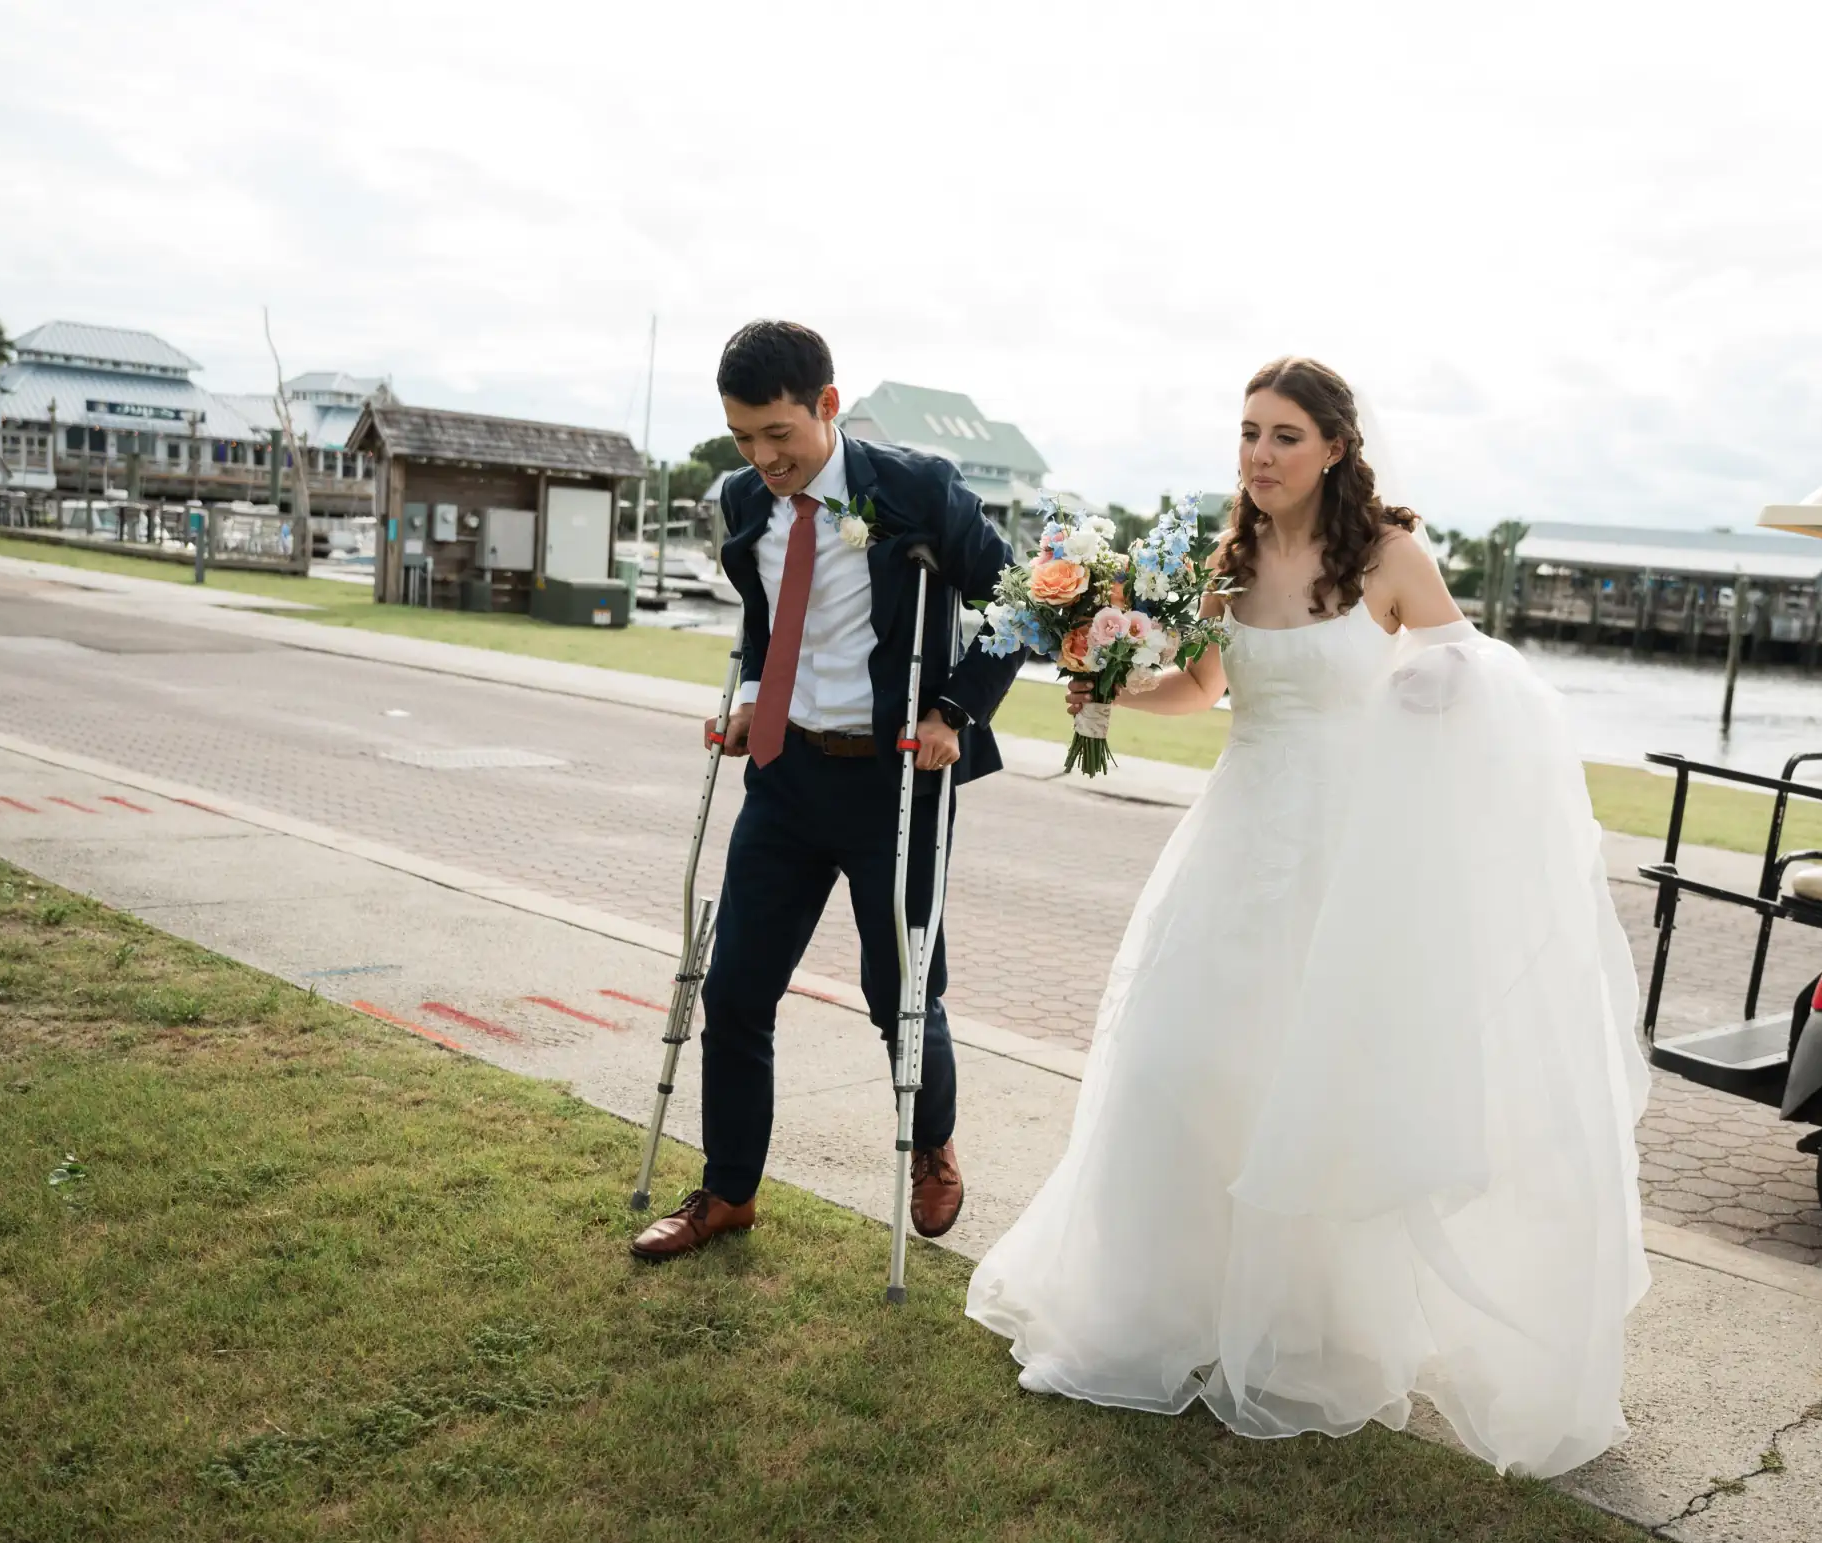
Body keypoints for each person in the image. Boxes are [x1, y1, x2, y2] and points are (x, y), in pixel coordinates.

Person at [966, 357, 1651, 1477]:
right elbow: (1202, 691)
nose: (1259, 454)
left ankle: (1306, 1325)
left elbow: (1465, 668)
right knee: (1179, 1065)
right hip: (1238, 841)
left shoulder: (1388, 555)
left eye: (1284, 434)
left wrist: (1434, 689)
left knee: (1315, 1085)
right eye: (1246, 432)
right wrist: (1102, 688)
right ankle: (1162, 1311)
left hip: (1352, 858)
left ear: (1334, 445)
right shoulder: (1222, 567)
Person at [631, 321, 1022, 1261]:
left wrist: (954, 713)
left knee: (899, 990)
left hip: (897, 778)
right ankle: (728, 1191)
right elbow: (773, 619)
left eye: (780, 435)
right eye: (743, 439)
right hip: (785, 774)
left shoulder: (915, 488)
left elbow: (1016, 602)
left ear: (827, 408)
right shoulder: (742, 501)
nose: (764, 459)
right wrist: (756, 702)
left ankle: (931, 1142)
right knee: (735, 987)